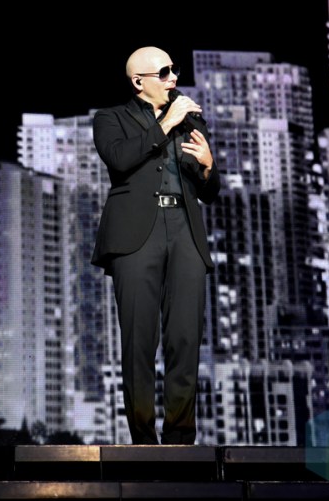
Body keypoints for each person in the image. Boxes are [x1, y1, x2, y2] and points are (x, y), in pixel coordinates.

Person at [91, 46, 220, 445]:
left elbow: (209, 191)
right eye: (164, 72)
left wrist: (208, 166)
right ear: (138, 81)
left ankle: (180, 439)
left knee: (185, 338)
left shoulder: (189, 119)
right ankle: (144, 443)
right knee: (138, 340)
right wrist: (167, 123)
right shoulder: (111, 118)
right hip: (135, 235)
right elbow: (119, 158)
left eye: (173, 70)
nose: (173, 78)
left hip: (185, 229)